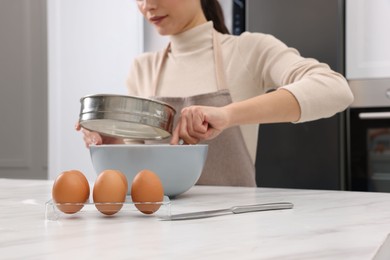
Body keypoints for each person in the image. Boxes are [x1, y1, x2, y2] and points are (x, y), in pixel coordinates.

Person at [77, 0, 354, 187]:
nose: (147, 5)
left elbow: (335, 89)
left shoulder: (248, 51)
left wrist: (227, 114)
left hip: (237, 231)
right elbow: (139, 178)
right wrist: (114, 141)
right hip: (163, 235)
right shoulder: (142, 69)